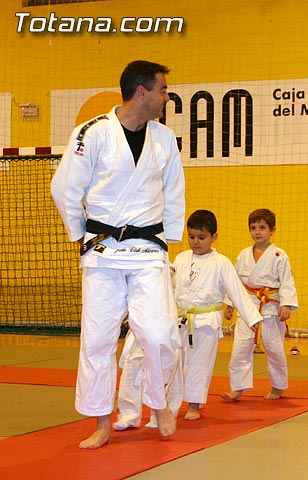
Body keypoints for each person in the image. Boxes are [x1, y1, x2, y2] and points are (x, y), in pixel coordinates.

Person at [50, 60, 185, 449]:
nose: (165, 98)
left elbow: (174, 193)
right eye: (162, 90)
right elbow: (65, 189)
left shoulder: (164, 139)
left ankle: (158, 402)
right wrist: (80, 234)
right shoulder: (90, 133)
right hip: (103, 251)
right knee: (98, 341)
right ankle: (101, 423)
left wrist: (167, 240)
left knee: (160, 335)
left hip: (148, 251)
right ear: (141, 92)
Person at [114, 210, 263, 429]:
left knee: (199, 365)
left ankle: (194, 404)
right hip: (179, 318)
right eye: (192, 236)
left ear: (214, 237)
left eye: (201, 237)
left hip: (206, 321)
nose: (196, 242)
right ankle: (166, 409)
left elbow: (236, 290)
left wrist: (251, 316)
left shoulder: (221, 262)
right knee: (171, 364)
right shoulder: (182, 258)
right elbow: (167, 282)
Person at [223, 209, 298, 400]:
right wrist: (231, 303)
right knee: (240, 348)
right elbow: (235, 281)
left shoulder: (279, 255)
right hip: (247, 305)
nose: (257, 232)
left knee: (274, 349)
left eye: (262, 228)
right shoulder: (243, 254)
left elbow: (287, 281)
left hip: (270, 307)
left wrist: (286, 304)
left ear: (272, 230)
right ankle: (237, 388)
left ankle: (277, 387)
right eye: (253, 228)